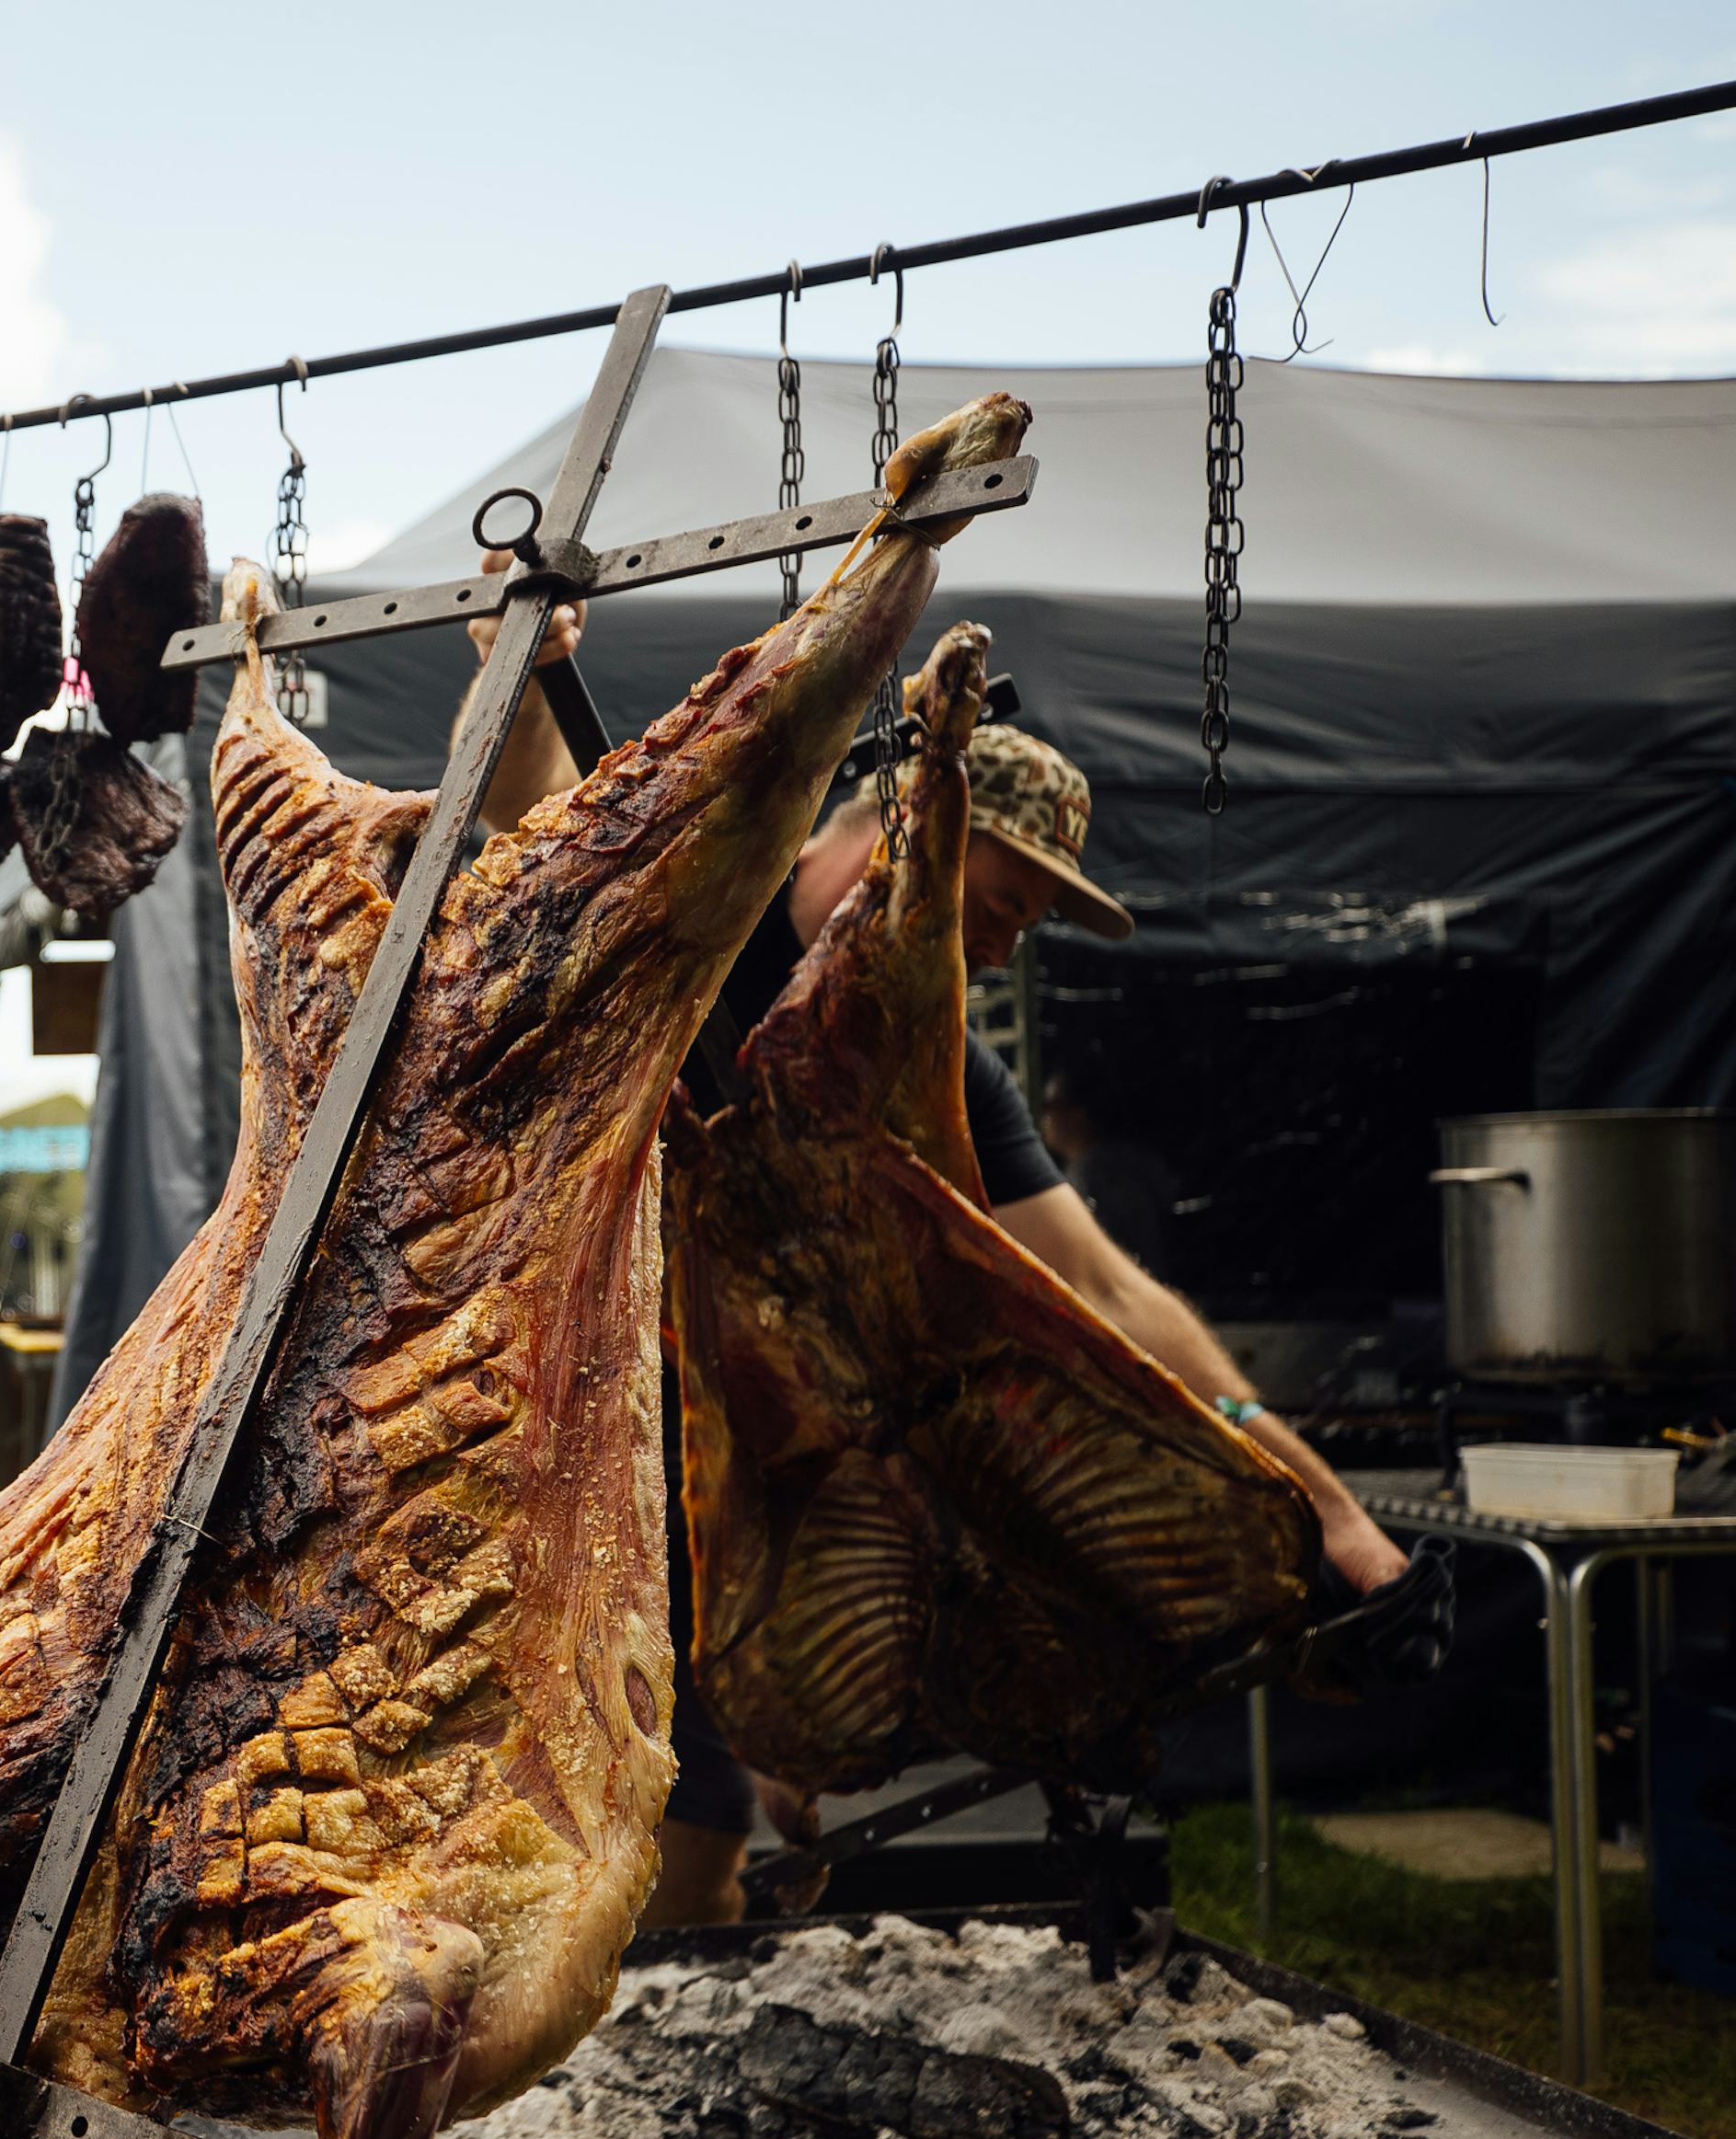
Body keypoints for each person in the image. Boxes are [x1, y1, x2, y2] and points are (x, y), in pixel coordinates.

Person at [459, 581, 1413, 1924]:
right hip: (563, 1472)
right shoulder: (695, 912)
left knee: (703, 1859)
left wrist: (1325, 1506)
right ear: (899, 830)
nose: (1004, 948)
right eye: (1000, 902)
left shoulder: (938, 1067)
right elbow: (523, 820)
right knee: (549, 1871)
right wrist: (522, 671)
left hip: (757, 1508)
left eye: (1025, 930)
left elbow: (1105, 1287)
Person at [1039, 1066, 1181, 1282]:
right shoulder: (1110, 1167)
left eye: (1050, 1106)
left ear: (1078, 1114)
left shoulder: (1098, 1177)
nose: (1043, 1117)